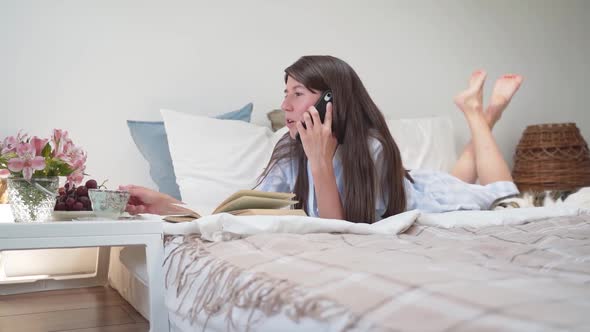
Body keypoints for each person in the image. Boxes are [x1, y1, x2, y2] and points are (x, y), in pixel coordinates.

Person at [123, 55, 523, 224]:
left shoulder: (372, 149)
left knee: (503, 194)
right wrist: (167, 205)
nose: (286, 104)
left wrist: (320, 160)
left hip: (428, 195)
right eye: (286, 93)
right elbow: (237, 213)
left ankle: (480, 115)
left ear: (332, 101)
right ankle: (479, 115)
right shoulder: (289, 150)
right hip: (417, 180)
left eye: (298, 94)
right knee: (460, 176)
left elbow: (342, 229)